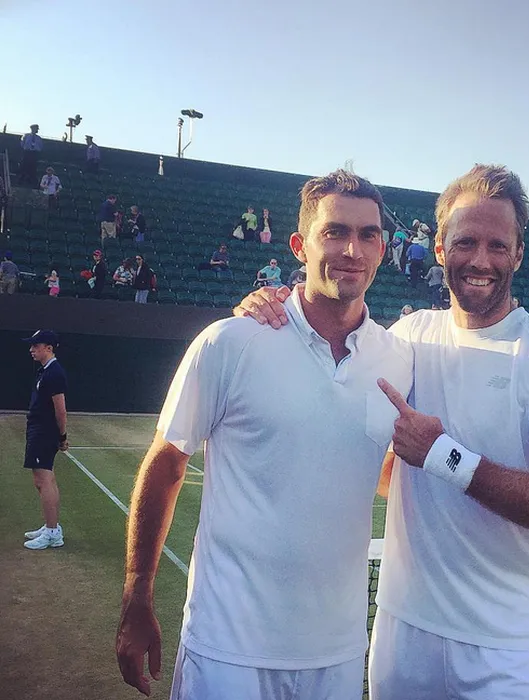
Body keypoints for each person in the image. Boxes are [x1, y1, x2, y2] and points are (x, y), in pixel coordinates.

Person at [234, 164, 529, 699]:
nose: (480, 260)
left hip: (506, 650)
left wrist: (444, 457)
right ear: (439, 247)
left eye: (497, 246)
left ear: (518, 254)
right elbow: (376, 461)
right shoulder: (407, 338)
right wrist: (269, 305)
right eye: (466, 242)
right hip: (403, 634)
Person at [116, 170, 413, 698]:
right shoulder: (229, 342)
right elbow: (166, 464)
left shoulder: (398, 359)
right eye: (335, 232)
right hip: (227, 650)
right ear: (299, 246)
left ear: (382, 248)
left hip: (338, 656)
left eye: (368, 235)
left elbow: (384, 476)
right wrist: (137, 597)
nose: (353, 249)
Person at [22, 330, 68, 550]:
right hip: (38, 430)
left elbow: (61, 410)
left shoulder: (54, 373)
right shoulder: (45, 371)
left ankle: (52, 533)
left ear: (48, 348)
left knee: (44, 480)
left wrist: (62, 436)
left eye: (36, 345)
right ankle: (52, 527)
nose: (31, 349)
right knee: (43, 479)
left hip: (44, 432)